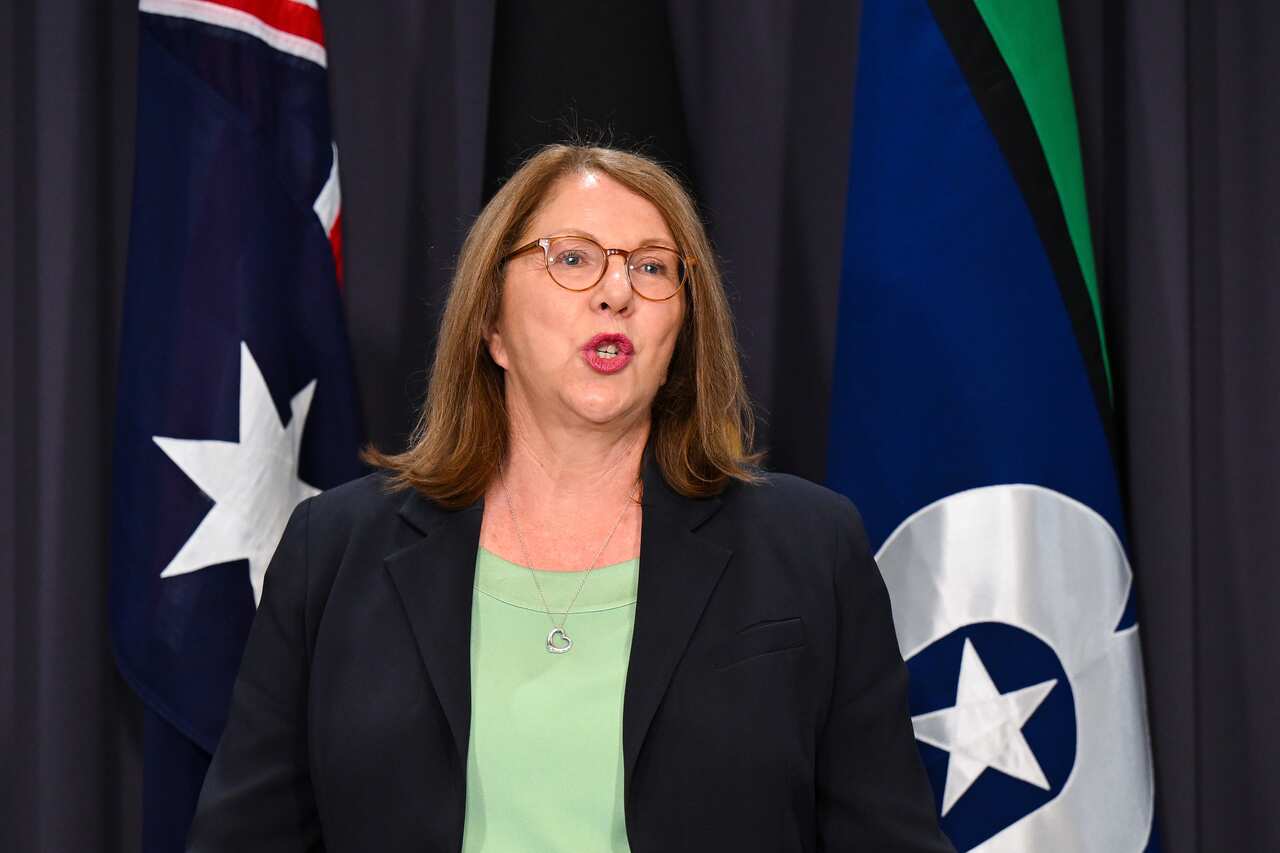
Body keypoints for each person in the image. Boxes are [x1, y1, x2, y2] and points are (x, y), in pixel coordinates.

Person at [186, 143, 954, 852]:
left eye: (653, 268)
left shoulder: (809, 547)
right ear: (490, 323)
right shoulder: (335, 550)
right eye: (574, 258)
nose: (617, 292)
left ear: (682, 326)